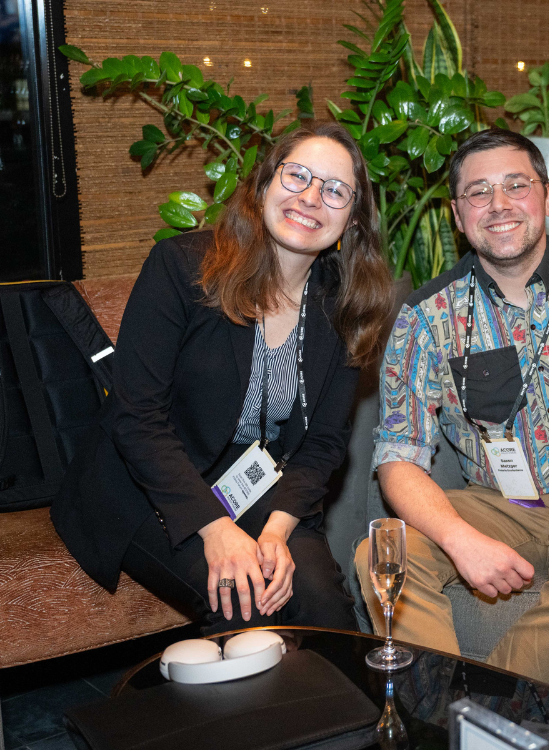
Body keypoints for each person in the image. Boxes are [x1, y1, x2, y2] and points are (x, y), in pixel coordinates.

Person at [354, 129, 549, 686]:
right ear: (458, 215)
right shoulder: (424, 316)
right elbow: (397, 458)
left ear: (548, 198)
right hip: (501, 504)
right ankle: (441, 701)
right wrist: (461, 541)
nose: (498, 205)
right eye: (478, 193)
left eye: (515, 186)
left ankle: (476, 715)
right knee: (381, 555)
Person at [52, 122, 392, 633]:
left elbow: (323, 443)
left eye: (335, 190)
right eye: (297, 176)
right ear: (263, 185)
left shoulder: (347, 305)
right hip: (148, 483)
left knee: (325, 613)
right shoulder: (183, 267)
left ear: (353, 222)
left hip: (257, 488)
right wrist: (214, 528)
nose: (311, 198)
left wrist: (276, 533)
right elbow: (136, 416)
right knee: (245, 606)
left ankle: (352, 716)